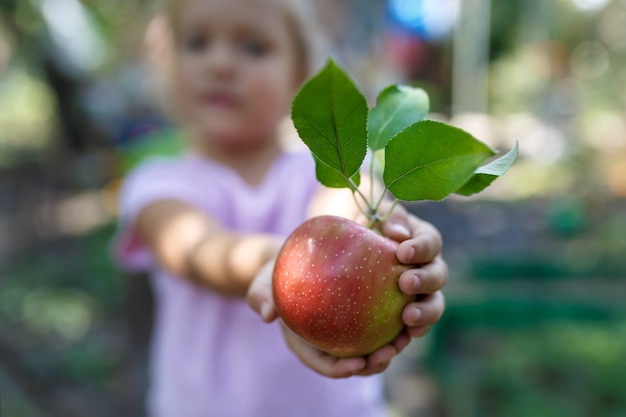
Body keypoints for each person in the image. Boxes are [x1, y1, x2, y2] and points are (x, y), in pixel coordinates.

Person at [111, 0, 447, 415]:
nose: (220, 64)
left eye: (253, 47)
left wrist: (404, 244)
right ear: (166, 63)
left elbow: (353, 213)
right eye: (197, 43)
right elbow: (197, 249)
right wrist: (281, 269)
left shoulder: (334, 169)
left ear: (300, 76)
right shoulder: (159, 182)